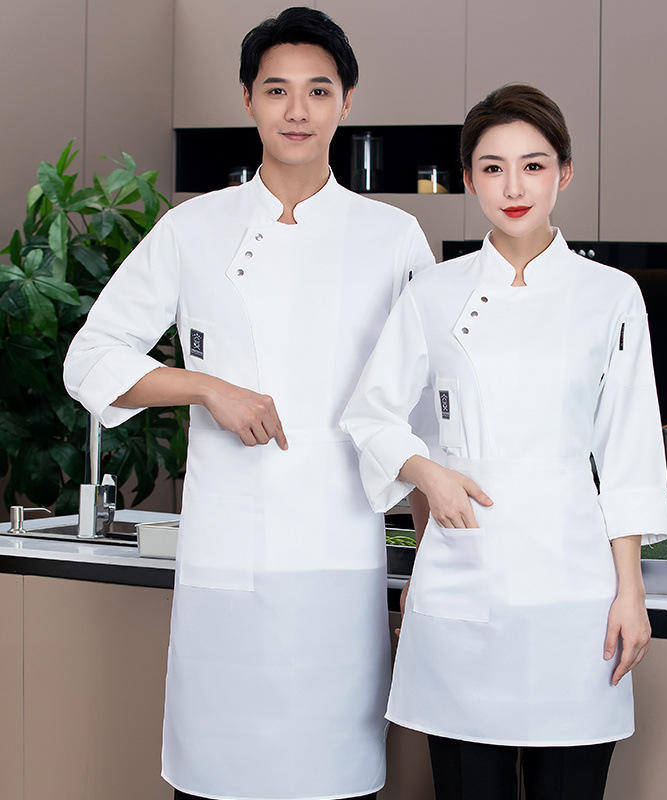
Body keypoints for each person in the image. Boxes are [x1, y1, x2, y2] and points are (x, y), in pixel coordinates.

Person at [63, 7, 434, 800]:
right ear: (247, 100)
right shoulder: (193, 228)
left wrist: (435, 570)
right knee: (215, 779)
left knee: (335, 780)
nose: (297, 110)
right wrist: (206, 386)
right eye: (276, 90)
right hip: (228, 560)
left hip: (339, 563)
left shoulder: (393, 237)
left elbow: (424, 421)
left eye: (318, 90)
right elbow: (89, 359)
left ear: (346, 101)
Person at [340, 84, 667, 800]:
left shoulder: (610, 295)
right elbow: (371, 415)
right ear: (469, 180)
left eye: (533, 165)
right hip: (465, 580)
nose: (514, 187)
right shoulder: (433, 293)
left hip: (574, 592)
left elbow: (628, 451)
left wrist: (631, 592)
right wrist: (428, 472)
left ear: (565, 173)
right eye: (492, 168)